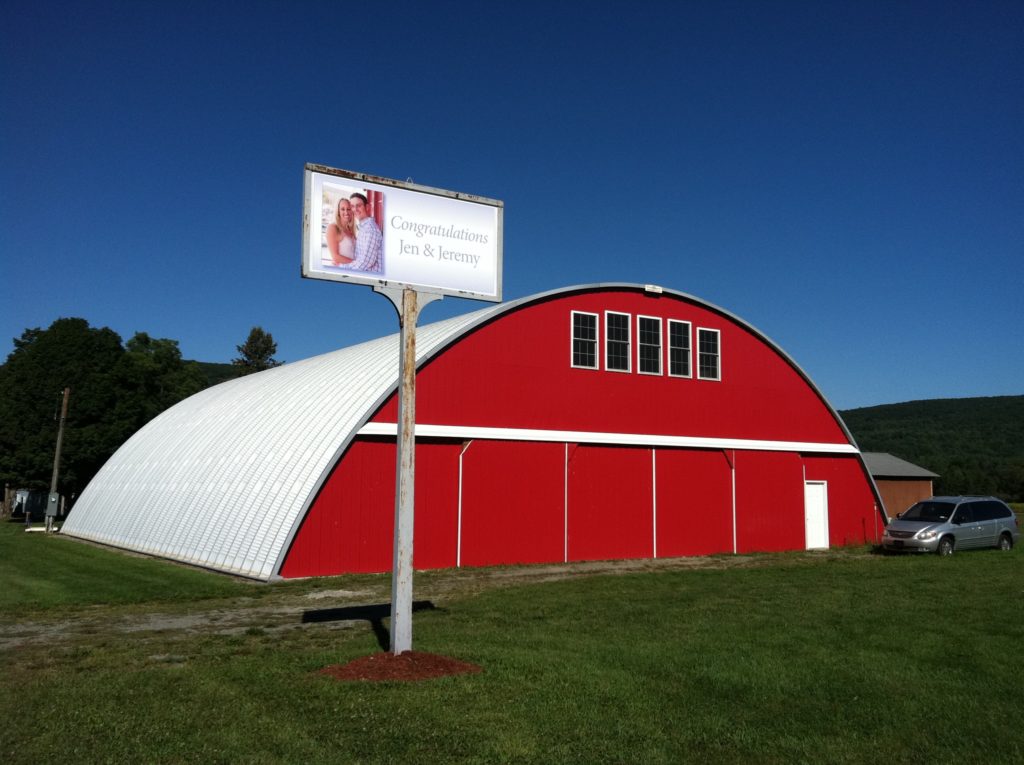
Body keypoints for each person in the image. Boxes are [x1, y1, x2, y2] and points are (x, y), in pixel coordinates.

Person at [348, 193, 383, 272]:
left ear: (367, 207)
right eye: (352, 206)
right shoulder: (363, 228)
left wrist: (344, 269)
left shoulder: (370, 230)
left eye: (359, 206)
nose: (355, 209)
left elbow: (366, 262)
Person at [325, 198, 356, 266]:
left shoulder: (350, 229)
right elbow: (335, 256)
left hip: (351, 269)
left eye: (348, 209)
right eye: (342, 209)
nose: (346, 212)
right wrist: (356, 263)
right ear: (338, 211)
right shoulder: (332, 227)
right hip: (340, 270)